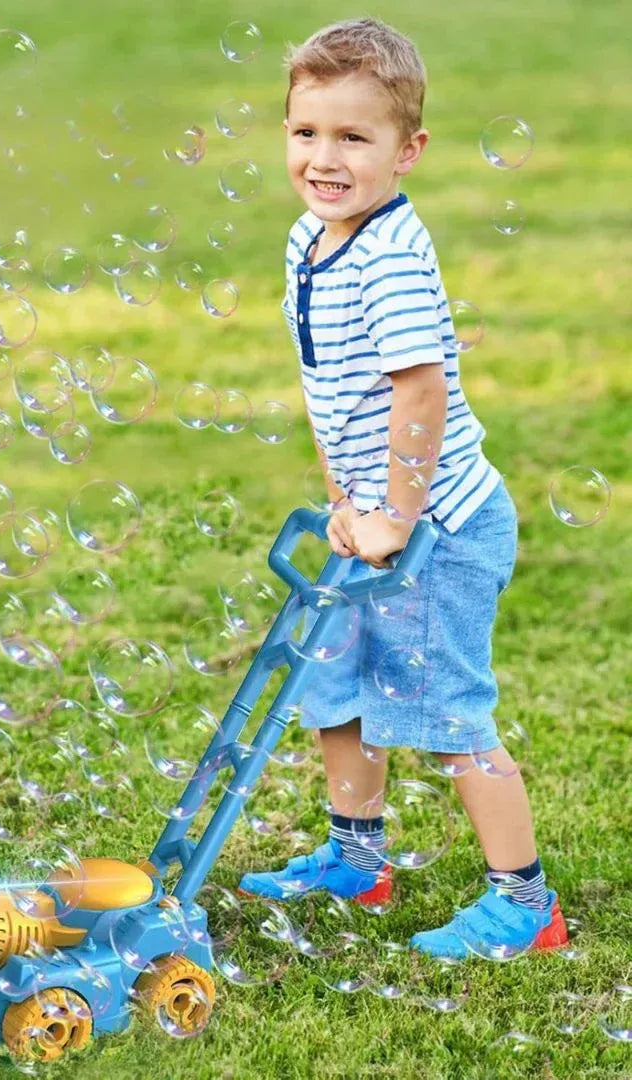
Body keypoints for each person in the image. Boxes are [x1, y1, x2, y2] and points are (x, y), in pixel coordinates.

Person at [238, 17, 568, 960]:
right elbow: (324, 382)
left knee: (447, 710)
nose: (325, 157)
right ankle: (357, 858)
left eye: (355, 137)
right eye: (307, 133)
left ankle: (525, 903)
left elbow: (418, 390)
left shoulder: (386, 254)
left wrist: (395, 514)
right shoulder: (310, 238)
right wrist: (349, 501)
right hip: (372, 516)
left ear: (407, 151)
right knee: (334, 682)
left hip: (440, 527)